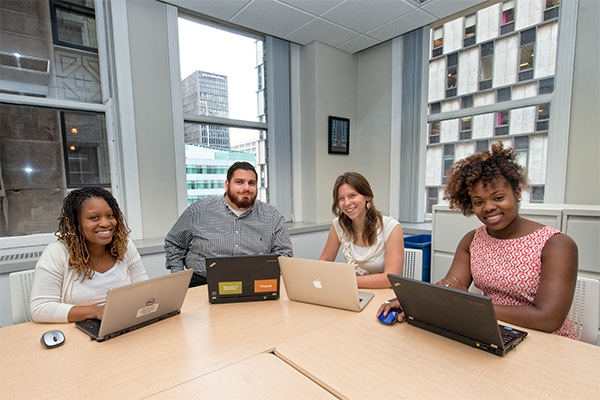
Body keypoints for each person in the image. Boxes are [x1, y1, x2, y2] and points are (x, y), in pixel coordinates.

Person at [377, 143, 578, 339]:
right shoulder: (472, 240)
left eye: (498, 197)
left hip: (547, 343)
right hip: (490, 331)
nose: (488, 207)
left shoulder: (556, 244)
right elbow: (451, 291)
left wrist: (473, 303)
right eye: (478, 202)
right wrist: (413, 302)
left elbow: (547, 319)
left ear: (516, 194)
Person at [164, 161, 293, 287]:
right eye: (239, 182)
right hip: (203, 283)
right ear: (227, 184)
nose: (246, 188)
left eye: (251, 183)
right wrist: (179, 279)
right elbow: (174, 244)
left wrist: (267, 265)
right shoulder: (198, 210)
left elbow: (284, 253)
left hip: (253, 282)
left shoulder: (272, 215)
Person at [30, 187, 148, 323]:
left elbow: (142, 288)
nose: (105, 223)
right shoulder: (57, 253)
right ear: (75, 223)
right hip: (79, 330)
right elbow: (40, 308)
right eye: (94, 217)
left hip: (123, 322)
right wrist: (95, 311)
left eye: (110, 215)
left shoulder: (125, 246)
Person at [319, 172, 404, 288]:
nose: (347, 203)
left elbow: (390, 278)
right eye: (341, 199)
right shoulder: (338, 225)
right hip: (353, 292)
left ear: (367, 196)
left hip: (384, 295)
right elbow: (324, 262)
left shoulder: (391, 227)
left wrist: (346, 281)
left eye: (352, 195)